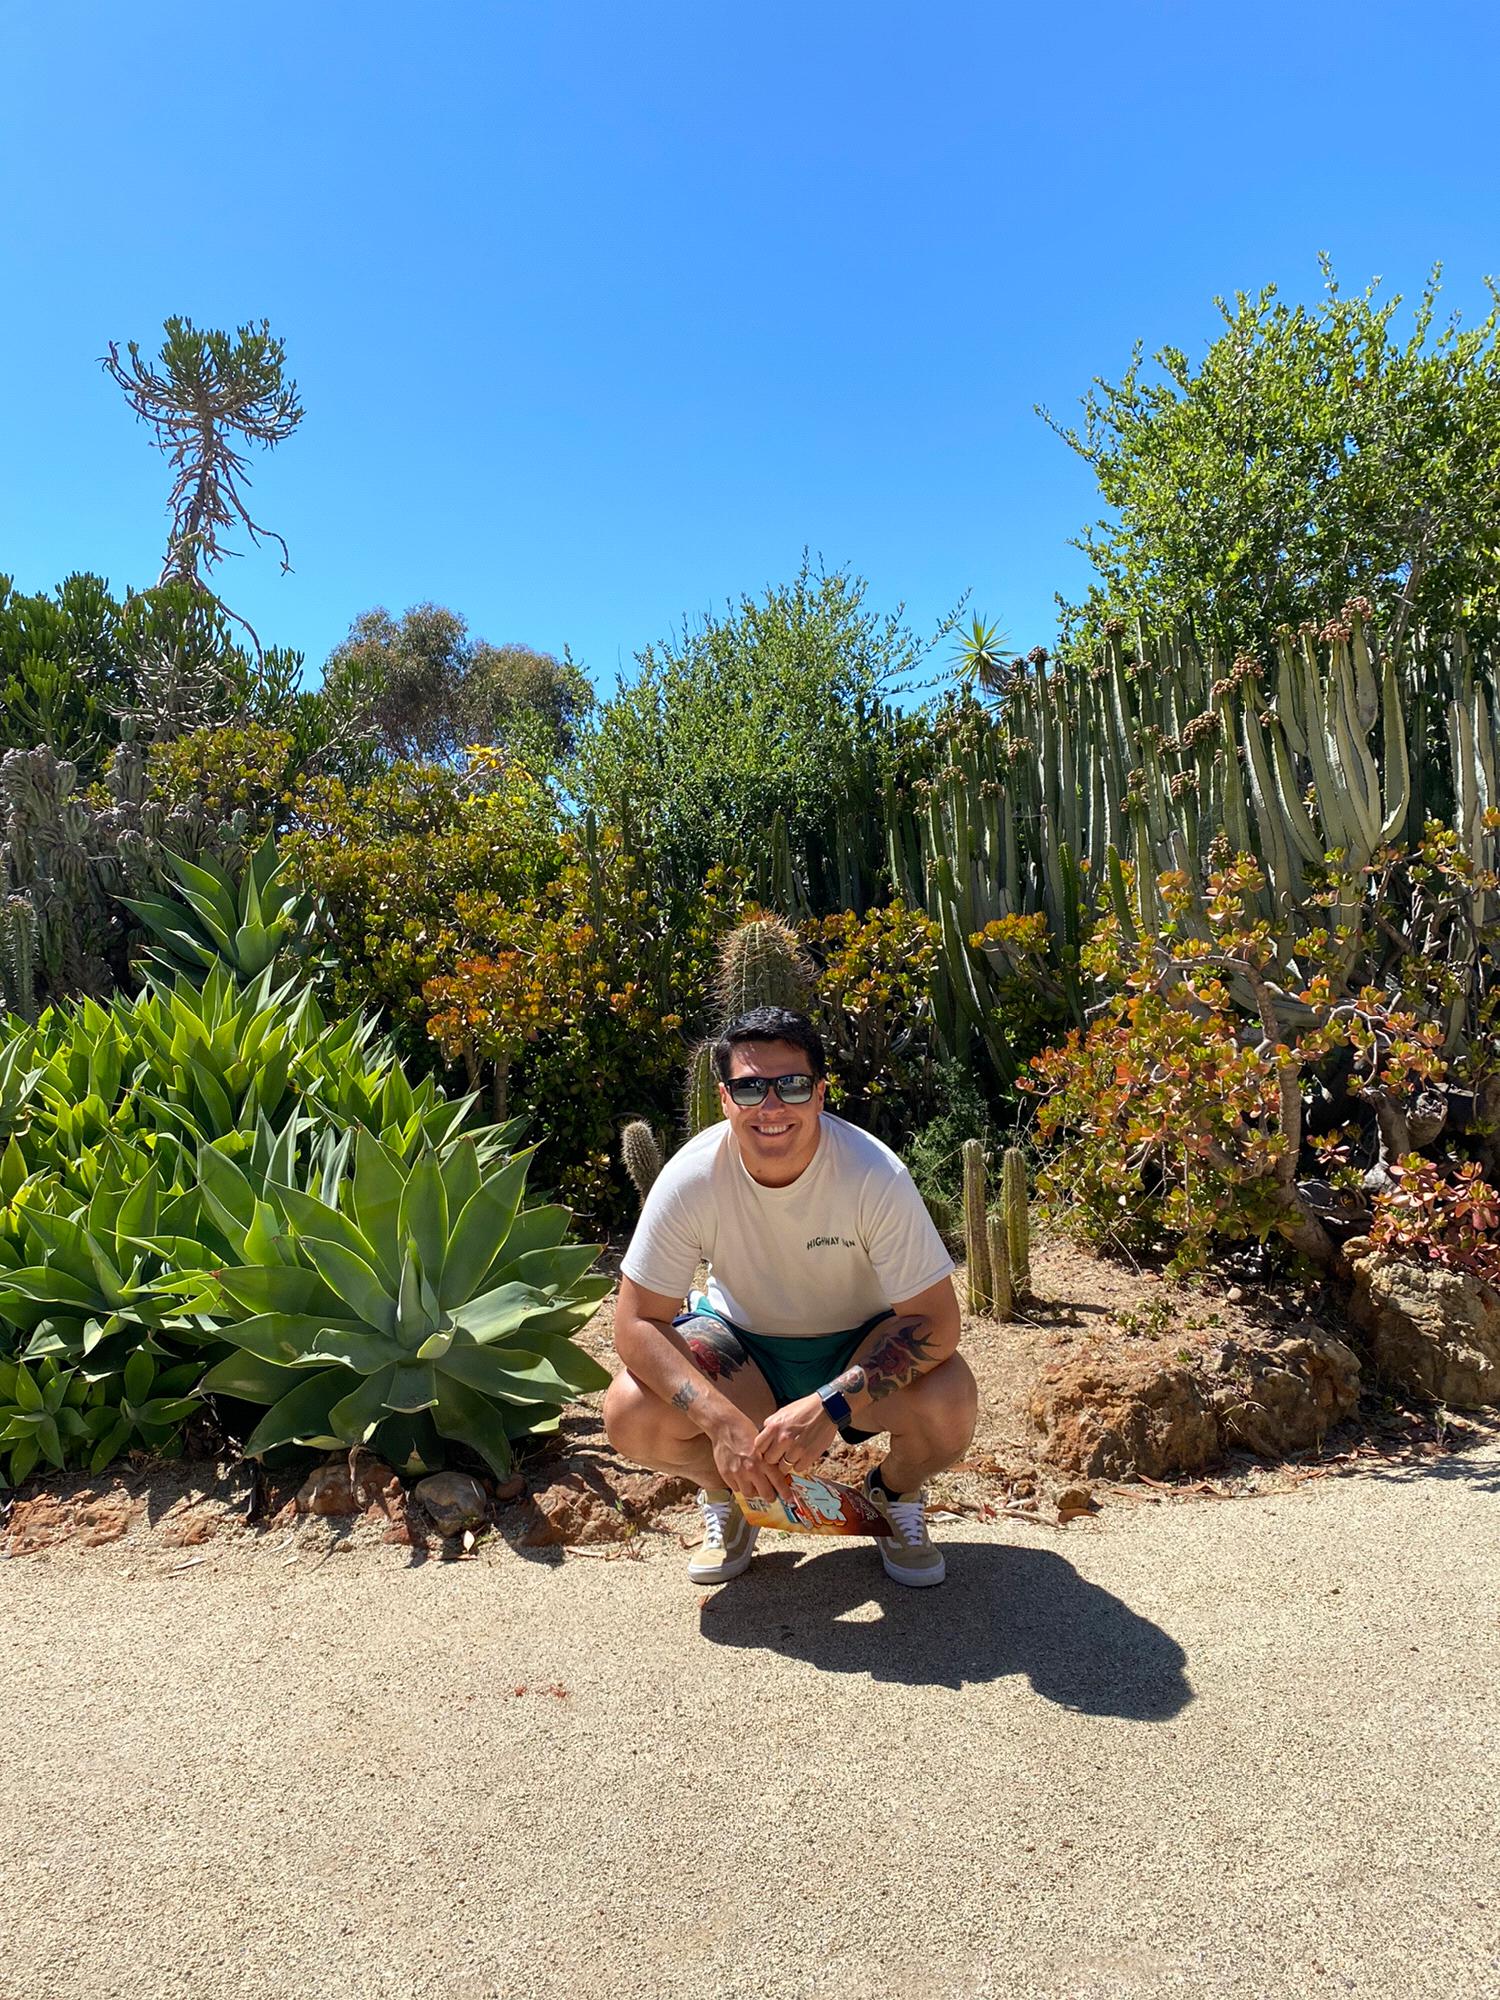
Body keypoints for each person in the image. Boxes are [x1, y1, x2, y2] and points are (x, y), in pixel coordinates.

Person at [603, 1005, 977, 1588]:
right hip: (742, 1349)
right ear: (724, 1098)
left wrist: (830, 1406)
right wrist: (720, 1423)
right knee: (630, 1410)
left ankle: (893, 1493)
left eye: (793, 1085)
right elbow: (636, 1324)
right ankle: (734, 1492)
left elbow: (936, 1321)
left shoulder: (873, 1174)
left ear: (820, 1094)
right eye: (750, 1088)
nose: (772, 1106)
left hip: (858, 1347)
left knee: (951, 1398)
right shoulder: (690, 1178)